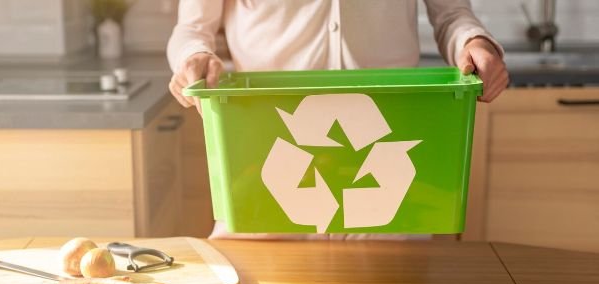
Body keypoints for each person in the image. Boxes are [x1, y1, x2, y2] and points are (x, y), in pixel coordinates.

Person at [166, 0, 509, 240]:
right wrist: (192, 56)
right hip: (267, 179)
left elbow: (452, 14)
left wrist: (474, 41)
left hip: (388, 190)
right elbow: (193, 28)